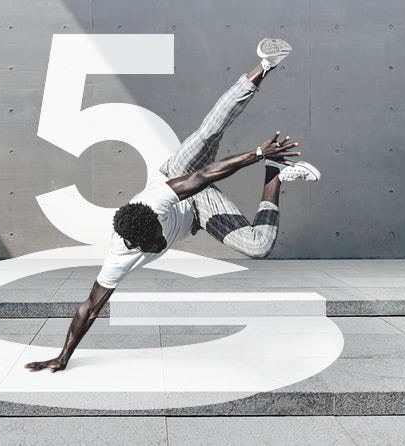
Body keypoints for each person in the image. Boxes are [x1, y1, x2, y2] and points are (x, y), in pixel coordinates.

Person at [25, 38, 320, 372]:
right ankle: (275, 176)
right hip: (198, 212)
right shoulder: (119, 258)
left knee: (209, 133)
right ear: (135, 244)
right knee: (259, 245)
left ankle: (265, 65)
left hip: (180, 177)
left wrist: (256, 153)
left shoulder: (155, 201)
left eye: (158, 237)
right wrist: (63, 357)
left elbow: (205, 174)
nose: (161, 244)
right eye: (154, 244)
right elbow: (88, 309)